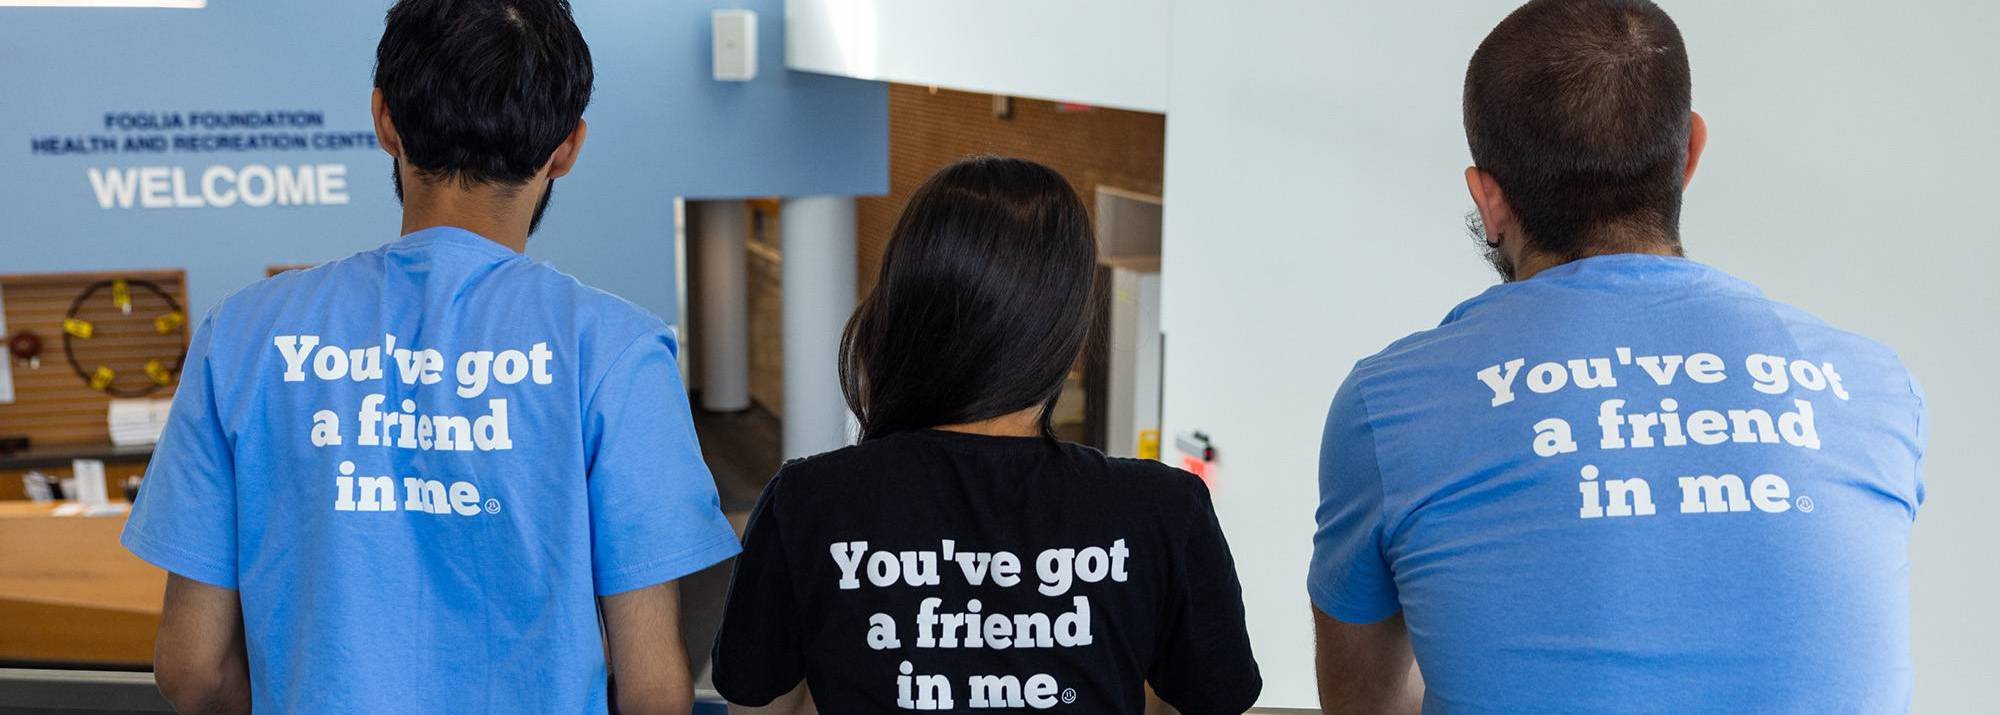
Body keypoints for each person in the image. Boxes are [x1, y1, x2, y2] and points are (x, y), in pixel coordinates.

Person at [120, 1, 740, 713]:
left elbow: (193, 667)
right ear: (567, 148)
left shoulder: (244, 334)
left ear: (386, 121)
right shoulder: (615, 351)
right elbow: (653, 686)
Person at [1309, 0, 1927, 712]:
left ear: (1489, 198)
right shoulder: (1879, 389)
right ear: (1690, 152)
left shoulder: (1388, 406)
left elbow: (1365, 703)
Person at [709, 156, 1262, 714]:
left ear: (898, 317)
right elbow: (1212, 700)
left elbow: (757, 704)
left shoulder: (809, 501)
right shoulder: (1163, 510)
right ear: (1069, 343)